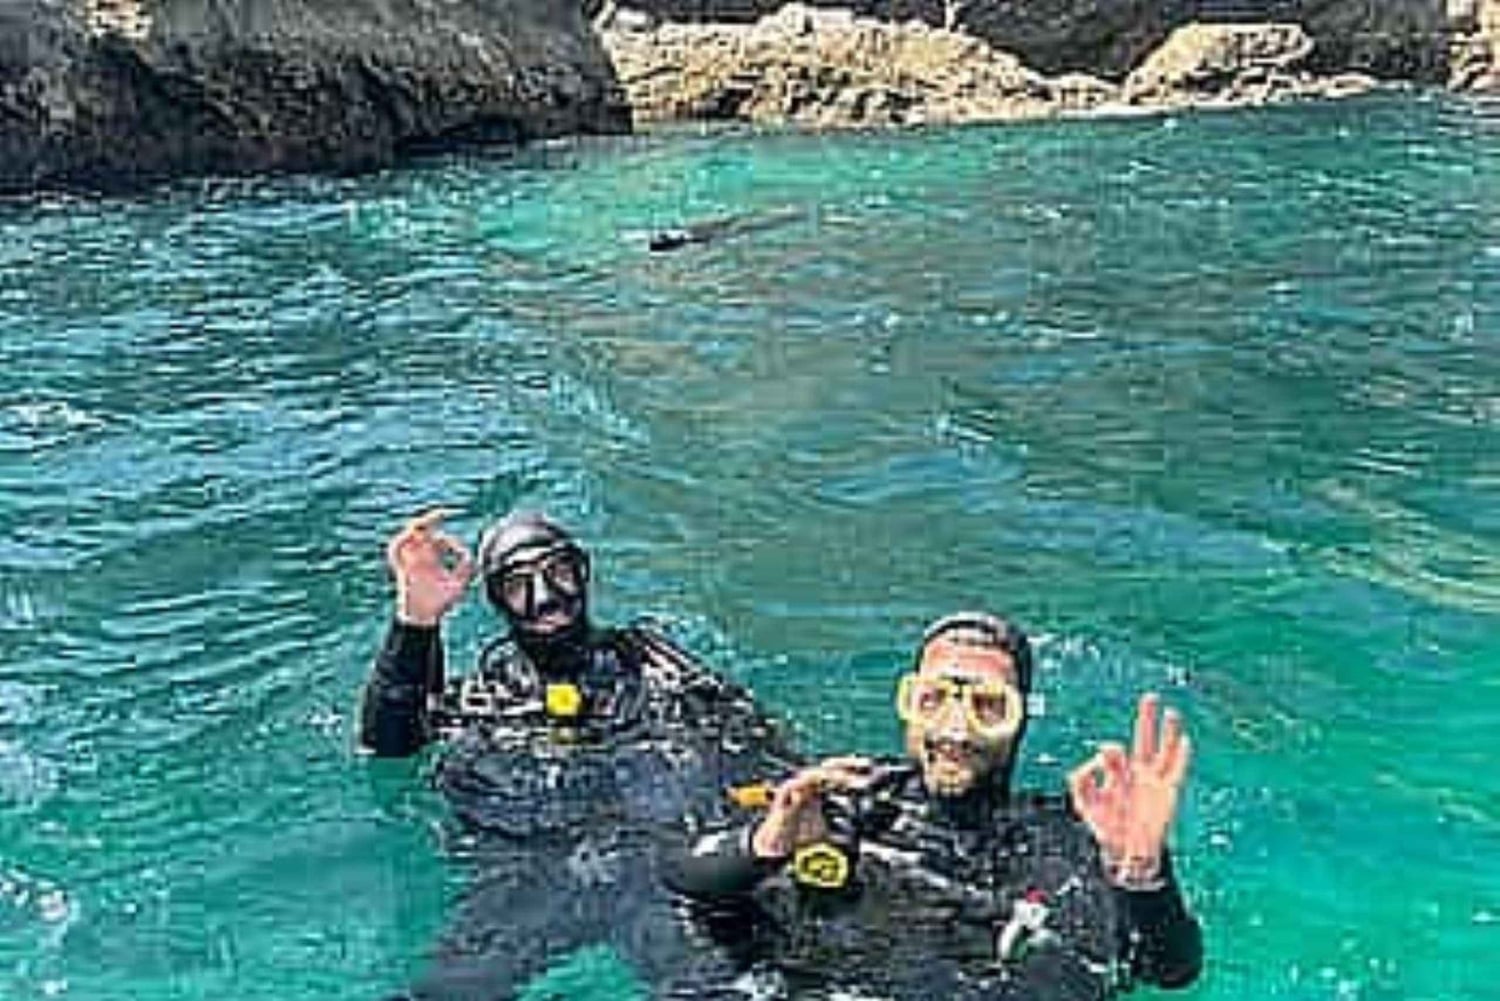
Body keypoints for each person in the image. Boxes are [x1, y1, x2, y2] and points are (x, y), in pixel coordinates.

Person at [359, 508, 790, 999]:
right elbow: (389, 747)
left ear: (582, 572)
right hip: (530, 873)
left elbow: (754, 743)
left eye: (557, 572)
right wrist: (418, 619)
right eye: (519, 586)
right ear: (498, 601)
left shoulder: (652, 666)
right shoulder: (487, 696)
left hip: (657, 868)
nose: (545, 598)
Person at [664, 611, 1202, 1000]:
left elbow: (1170, 970)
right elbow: (682, 876)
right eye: (934, 699)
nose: (954, 730)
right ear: (907, 706)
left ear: (1020, 722)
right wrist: (764, 844)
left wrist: (1142, 875)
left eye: (988, 706)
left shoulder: (1067, 837)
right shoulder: (841, 800)